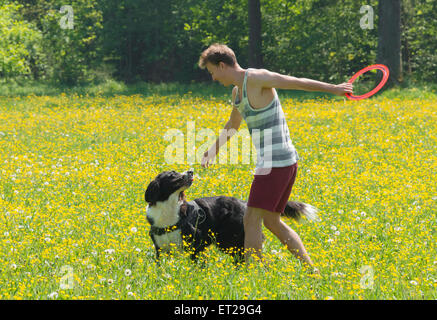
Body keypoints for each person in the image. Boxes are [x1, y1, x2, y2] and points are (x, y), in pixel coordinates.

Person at [198, 43, 353, 270]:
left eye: (212, 71)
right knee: (271, 221)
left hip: (276, 163)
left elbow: (296, 82)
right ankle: (311, 270)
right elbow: (233, 124)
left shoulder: (257, 78)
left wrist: (334, 89)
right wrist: (213, 149)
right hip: (280, 162)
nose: (212, 78)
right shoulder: (237, 92)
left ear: (222, 65)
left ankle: (255, 273)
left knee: (250, 219)